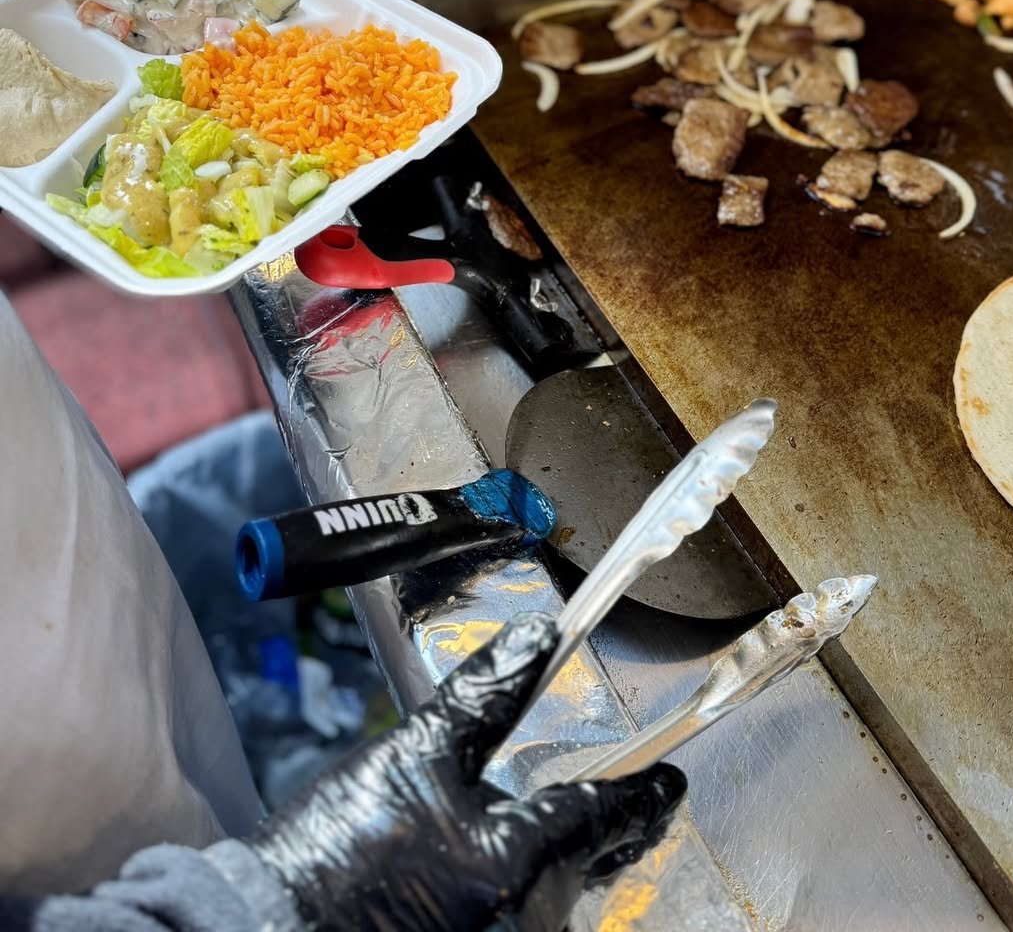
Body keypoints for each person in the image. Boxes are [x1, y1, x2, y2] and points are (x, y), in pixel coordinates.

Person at [0, 292, 684, 930]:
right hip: (61, 847)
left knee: (188, 752)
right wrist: (276, 905)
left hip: (43, 513)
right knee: (162, 823)